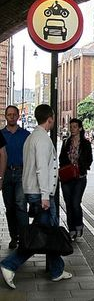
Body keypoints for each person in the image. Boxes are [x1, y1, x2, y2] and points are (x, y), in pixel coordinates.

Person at [1, 104, 72, 289]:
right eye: (54, 117)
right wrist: (45, 196)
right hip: (41, 194)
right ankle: (9, 264)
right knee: (39, 235)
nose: (54, 119)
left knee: (49, 232)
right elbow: (41, 168)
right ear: (50, 118)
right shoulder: (41, 139)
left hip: (35, 191)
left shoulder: (31, 137)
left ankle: (56, 270)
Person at [0, 106, 31, 249]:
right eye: (9, 115)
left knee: (20, 205)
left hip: (21, 172)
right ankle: (14, 237)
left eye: (14, 114)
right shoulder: (1, 134)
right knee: (10, 207)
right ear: (5, 116)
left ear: (18, 116)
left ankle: (25, 238)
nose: (11, 117)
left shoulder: (25, 135)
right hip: (5, 173)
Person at [59, 118, 93, 241]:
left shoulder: (85, 144)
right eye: (71, 126)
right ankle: (71, 229)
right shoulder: (66, 142)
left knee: (75, 202)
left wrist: (81, 167)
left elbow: (89, 159)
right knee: (68, 204)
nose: (72, 129)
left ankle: (79, 225)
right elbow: (61, 158)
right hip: (67, 178)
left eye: (74, 126)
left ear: (79, 128)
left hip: (80, 177)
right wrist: (66, 167)